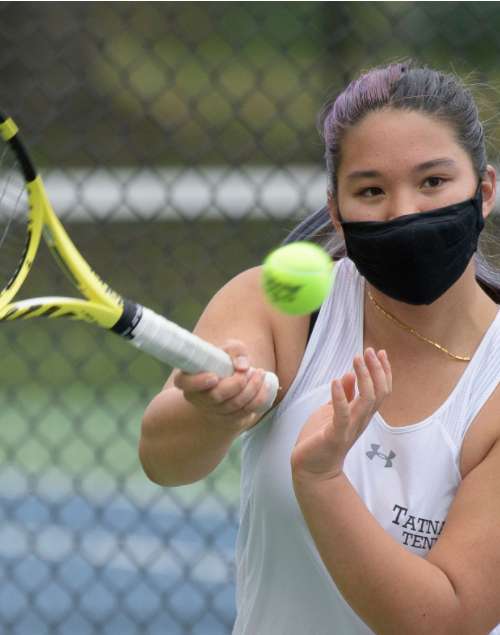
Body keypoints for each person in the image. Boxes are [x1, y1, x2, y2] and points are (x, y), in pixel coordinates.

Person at [139, 61, 500, 634]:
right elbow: (162, 459)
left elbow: (448, 619)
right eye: (371, 190)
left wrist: (322, 480)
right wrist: (211, 412)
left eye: (432, 181)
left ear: (482, 191)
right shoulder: (282, 308)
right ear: (337, 210)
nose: (404, 210)